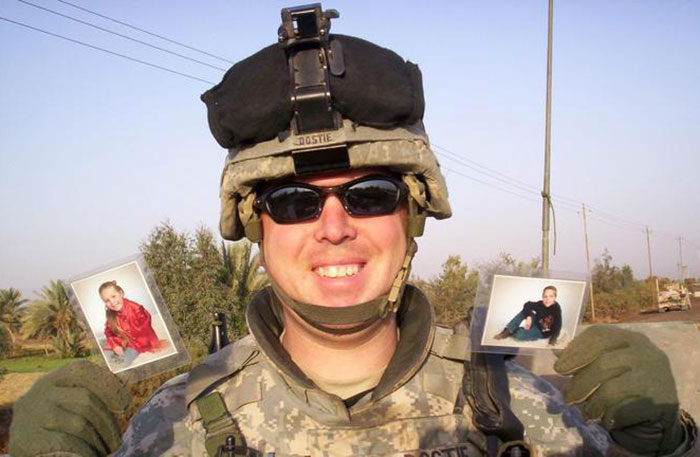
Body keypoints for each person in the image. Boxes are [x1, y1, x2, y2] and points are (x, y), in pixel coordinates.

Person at [9, 5, 698, 457]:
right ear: (258, 228)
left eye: (369, 195)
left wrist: (661, 447)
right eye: (294, 202)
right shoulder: (170, 429)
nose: (333, 227)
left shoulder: (524, 409)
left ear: (412, 217)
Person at [99, 280, 164, 365]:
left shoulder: (136, 309)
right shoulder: (111, 314)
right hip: (121, 341)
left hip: (138, 344)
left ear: (121, 293)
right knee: (106, 354)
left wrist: (152, 345)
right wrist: (114, 345)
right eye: (107, 300)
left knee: (124, 361)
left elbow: (147, 329)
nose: (112, 302)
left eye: (113, 296)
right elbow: (108, 332)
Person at [493, 285, 562, 345]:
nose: (547, 299)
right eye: (545, 296)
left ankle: (515, 331)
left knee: (519, 335)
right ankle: (508, 330)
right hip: (535, 322)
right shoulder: (540, 304)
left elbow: (558, 326)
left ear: (555, 298)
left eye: (551, 296)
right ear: (542, 297)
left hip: (541, 331)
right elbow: (527, 304)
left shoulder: (556, 309)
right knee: (525, 311)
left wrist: (553, 340)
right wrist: (529, 317)